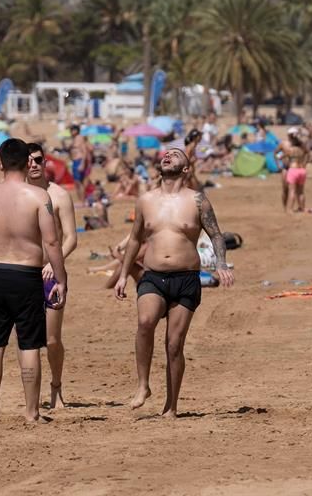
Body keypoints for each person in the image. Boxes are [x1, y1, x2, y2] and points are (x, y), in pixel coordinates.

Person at [114, 147, 234, 418]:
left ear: (186, 169)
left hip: (186, 279)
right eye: (165, 154)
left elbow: (215, 235)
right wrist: (123, 275)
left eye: (176, 154)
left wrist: (221, 264)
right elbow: (134, 239)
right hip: (153, 276)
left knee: (174, 344)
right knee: (145, 322)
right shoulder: (145, 200)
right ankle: (143, 385)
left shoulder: (198, 200)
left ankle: (171, 406)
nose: (168, 155)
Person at [0, 138, 68, 424]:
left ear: (0, 163)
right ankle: (31, 412)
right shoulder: (39, 198)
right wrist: (61, 279)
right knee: (28, 346)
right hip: (26, 275)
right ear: (28, 162)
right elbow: (52, 242)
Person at [26, 143, 77, 409]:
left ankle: (56, 387)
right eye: (27, 161)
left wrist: (55, 263)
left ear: (45, 162)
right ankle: (32, 397)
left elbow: (71, 238)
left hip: (52, 275)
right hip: (24, 272)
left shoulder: (59, 196)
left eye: (37, 159)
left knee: (52, 339)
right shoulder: (19, 196)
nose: (32, 164)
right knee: (29, 341)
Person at [278, 128, 309, 213]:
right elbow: (308, 153)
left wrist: (280, 158)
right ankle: (302, 208)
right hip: (302, 170)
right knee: (301, 192)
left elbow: (280, 156)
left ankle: (290, 209)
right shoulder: (302, 149)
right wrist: (305, 163)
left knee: (292, 191)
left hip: (293, 170)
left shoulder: (290, 150)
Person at [68, 125, 90, 201]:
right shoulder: (74, 139)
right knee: (76, 182)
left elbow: (84, 151)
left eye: (72, 130)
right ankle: (80, 200)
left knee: (79, 182)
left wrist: (82, 163)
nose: (71, 132)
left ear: (76, 131)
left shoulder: (80, 138)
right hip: (74, 161)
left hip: (79, 161)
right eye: (70, 130)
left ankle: (82, 200)